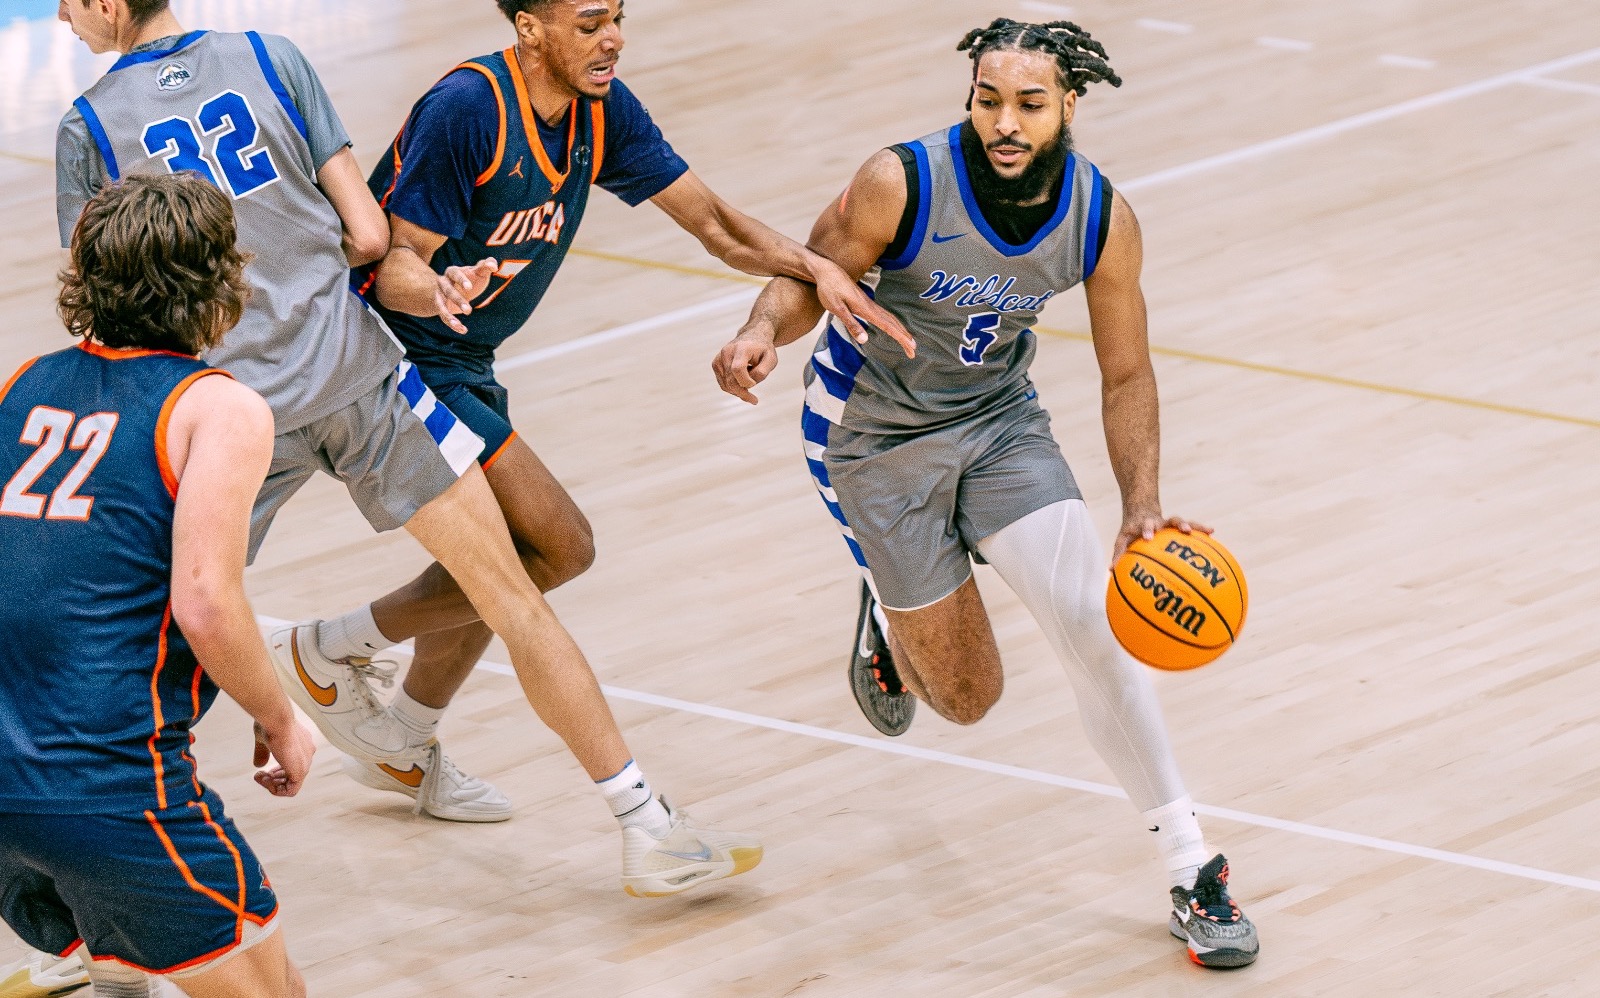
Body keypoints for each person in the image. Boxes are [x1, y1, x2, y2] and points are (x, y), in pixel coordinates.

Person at [53, 0, 759, 899]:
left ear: (108, 3)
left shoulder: (87, 127)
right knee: (514, 599)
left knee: (135, 644)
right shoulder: (270, 57)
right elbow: (369, 236)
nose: (64, 15)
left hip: (225, 411)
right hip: (359, 379)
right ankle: (647, 828)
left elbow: (104, 307)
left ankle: (89, 894)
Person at [711, 18, 1260, 969]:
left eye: (1029, 104)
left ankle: (1190, 863)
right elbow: (811, 272)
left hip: (1000, 423)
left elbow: (1127, 372)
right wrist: (762, 330)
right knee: (968, 698)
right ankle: (885, 602)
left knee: (1093, 627)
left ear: (1069, 106)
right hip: (870, 437)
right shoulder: (900, 181)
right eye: (988, 100)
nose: (1004, 122)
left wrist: (1140, 504)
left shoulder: (1101, 218)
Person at [293, 0, 911, 815]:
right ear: (530, 29)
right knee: (559, 544)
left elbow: (716, 224)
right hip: (394, 354)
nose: (612, 37)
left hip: (464, 359)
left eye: (617, 16)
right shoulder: (468, 108)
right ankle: (328, 650)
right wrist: (438, 287)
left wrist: (816, 268)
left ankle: (403, 735)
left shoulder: (601, 110)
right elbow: (392, 261)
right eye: (590, 23)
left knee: (516, 552)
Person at [0, 174, 314, 997]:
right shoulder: (217, 409)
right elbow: (205, 603)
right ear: (221, 283)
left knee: (118, 962)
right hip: (106, 789)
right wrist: (279, 717)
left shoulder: (20, 385)